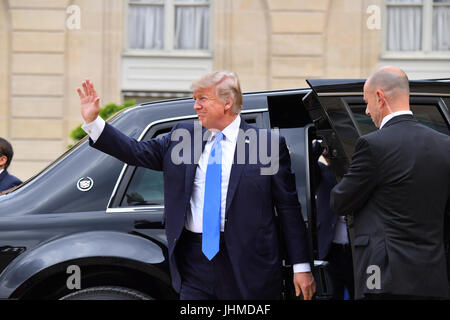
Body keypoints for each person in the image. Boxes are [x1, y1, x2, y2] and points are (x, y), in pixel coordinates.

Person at [77, 71, 316, 300]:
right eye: (194, 99)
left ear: (227, 102)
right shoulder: (184, 136)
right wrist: (94, 122)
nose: (195, 106)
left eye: (202, 99)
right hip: (194, 261)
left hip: (249, 263)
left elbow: (288, 208)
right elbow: (135, 151)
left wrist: (301, 266)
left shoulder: (266, 144)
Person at [330, 66, 450, 300]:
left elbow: (340, 201)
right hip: (432, 277)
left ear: (380, 97)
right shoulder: (445, 145)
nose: (366, 111)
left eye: (366, 102)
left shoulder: (373, 146)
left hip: (384, 278)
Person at [312, 141, 354, 300]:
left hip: (352, 250)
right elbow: (311, 165)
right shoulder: (322, 171)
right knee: (334, 293)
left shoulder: (351, 171)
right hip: (331, 250)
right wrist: (319, 144)